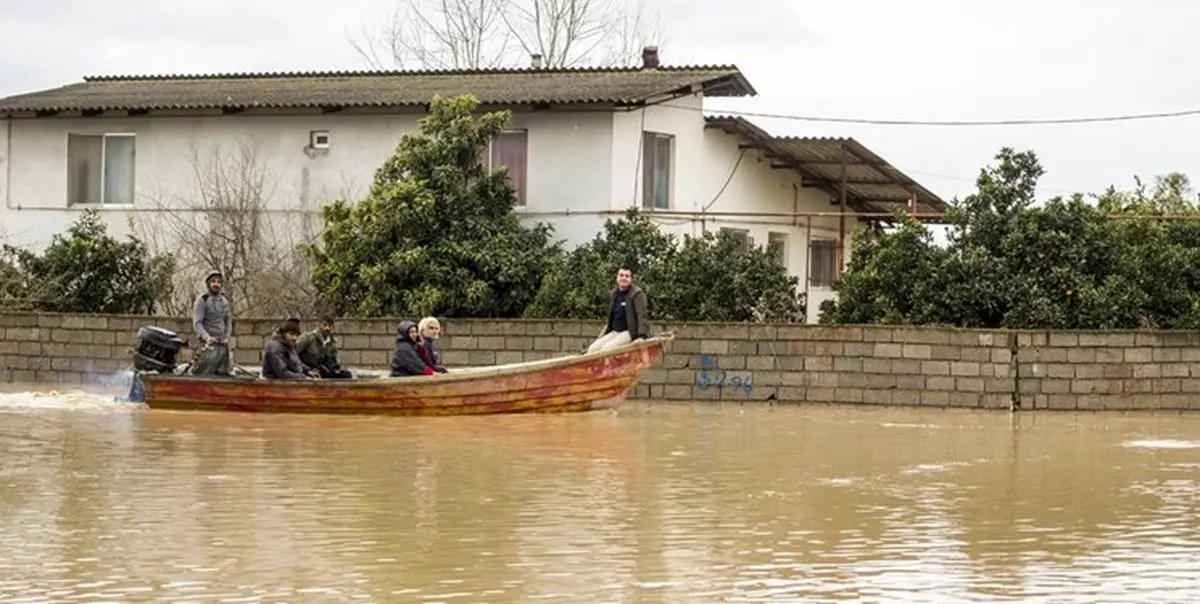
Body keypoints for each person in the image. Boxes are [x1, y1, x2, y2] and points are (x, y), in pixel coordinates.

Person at [587, 266, 649, 354]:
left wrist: (641, 336)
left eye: (627, 276)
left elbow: (642, 315)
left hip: (629, 332)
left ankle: (608, 368)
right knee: (592, 349)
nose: (623, 278)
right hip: (615, 331)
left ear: (631, 279)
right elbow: (610, 319)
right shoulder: (615, 294)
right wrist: (602, 336)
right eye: (621, 275)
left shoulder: (636, 294)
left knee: (606, 349)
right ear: (617, 277)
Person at [190, 270, 234, 376]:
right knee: (204, 374)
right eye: (213, 281)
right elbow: (197, 323)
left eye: (219, 282)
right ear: (208, 283)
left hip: (222, 344)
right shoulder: (202, 300)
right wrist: (207, 337)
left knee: (224, 373)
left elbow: (227, 322)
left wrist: (226, 337)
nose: (216, 284)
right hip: (207, 344)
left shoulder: (224, 301)